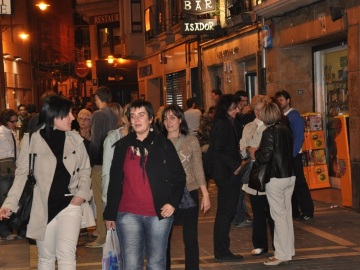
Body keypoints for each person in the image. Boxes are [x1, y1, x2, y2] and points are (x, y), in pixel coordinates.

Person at [0, 94, 93, 269]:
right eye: (68, 114)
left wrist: (81, 195)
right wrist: (9, 204)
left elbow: (85, 170)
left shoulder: (75, 139)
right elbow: (21, 176)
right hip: (42, 207)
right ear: (54, 115)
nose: (73, 118)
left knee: (67, 256)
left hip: (70, 205)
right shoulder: (31, 141)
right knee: (46, 258)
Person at [104, 99, 186, 269]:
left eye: (141, 115)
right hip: (127, 214)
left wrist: (173, 203)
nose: (136, 120)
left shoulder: (163, 144)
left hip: (158, 213)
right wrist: (110, 213)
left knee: (156, 263)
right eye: (133, 116)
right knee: (131, 264)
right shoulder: (122, 146)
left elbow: (179, 177)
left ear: (150, 119)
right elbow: (114, 181)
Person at [162, 104, 211, 270]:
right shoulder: (159, 142)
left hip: (189, 193)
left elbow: (198, 168)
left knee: (190, 239)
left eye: (172, 118)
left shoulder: (191, 141)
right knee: (164, 239)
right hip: (167, 196)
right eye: (165, 118)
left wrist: (205, 194)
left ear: (180, 120)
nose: (168, 122)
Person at [248, 101, 295, 266]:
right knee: (286, 215)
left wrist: (255, 152)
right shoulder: (285, 129)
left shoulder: (270, 132)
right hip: (289, 176)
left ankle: (281, 254)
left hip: (275, 178)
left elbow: (265, 157)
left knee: (279, 216)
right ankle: (288, 251)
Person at [206, 94, 243, 262]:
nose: (238, 110)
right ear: (227, 108)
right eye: (235, 107)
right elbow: (219, 149)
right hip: (227, 174)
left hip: (225, 173)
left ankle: (222, 250)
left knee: (226, 212)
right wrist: (235, 166)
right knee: (225, 213)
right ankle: (222, 251)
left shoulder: (224, 122)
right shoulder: (223, 124)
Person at [240, 95, 275, 256]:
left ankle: (278, 244)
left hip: (271, 174)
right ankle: (260, 244)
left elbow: (263, 150)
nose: (258, 112)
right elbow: (243, 148)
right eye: (255, 109)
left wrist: (253, 149)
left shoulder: (272, 126)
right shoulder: (248, 126)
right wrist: (250, 149)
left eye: (261, 109)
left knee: (274, 212)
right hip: (254, 175)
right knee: (258, 211)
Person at [275, 90, 314, 221]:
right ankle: (294, 211)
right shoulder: (280, 116)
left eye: (281, 100)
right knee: (290, 184)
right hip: (286, 156)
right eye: (278, 100)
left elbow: (299, 137)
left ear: (288, 100)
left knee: (299, 184)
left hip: (294, 155)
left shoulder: (294, 116)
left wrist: (292, 153)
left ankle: (307, 211)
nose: (280, 103)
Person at [86, 86, 118, 248]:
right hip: (111, 161)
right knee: (108, 198)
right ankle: (106, 232)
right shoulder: (113, 113)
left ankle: (101, 236)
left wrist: (91, 161)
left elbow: (96, 140)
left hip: (99, 163)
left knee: (99, 200)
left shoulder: (98, 114)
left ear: (97, 97)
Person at [233, 90, 255, 228]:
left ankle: (241, 215)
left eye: (246, 101)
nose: (243, 104)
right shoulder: (237, 118)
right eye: (241, 101)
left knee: (241, 189)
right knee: (239, 189)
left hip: (244, 156)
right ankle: (239, 217)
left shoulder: (244, 116)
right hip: (239, 156)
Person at [102, 103, 130, 206]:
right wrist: (107, 199)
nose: (134, 119)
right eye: (130, 115)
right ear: (123, 118)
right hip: (119, 193)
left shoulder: (146, 138)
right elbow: (107, 171)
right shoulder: (113, 138)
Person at [0, 109, 19, 240]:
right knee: (4, 200)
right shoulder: (1, 134)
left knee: (11, 198)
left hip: (12, 170)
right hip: (3, 171)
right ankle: (4, 230)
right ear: (6, 122)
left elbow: (16, 152)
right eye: (13, 121)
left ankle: (10, 228)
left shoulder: (13, 134)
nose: (16, 123)